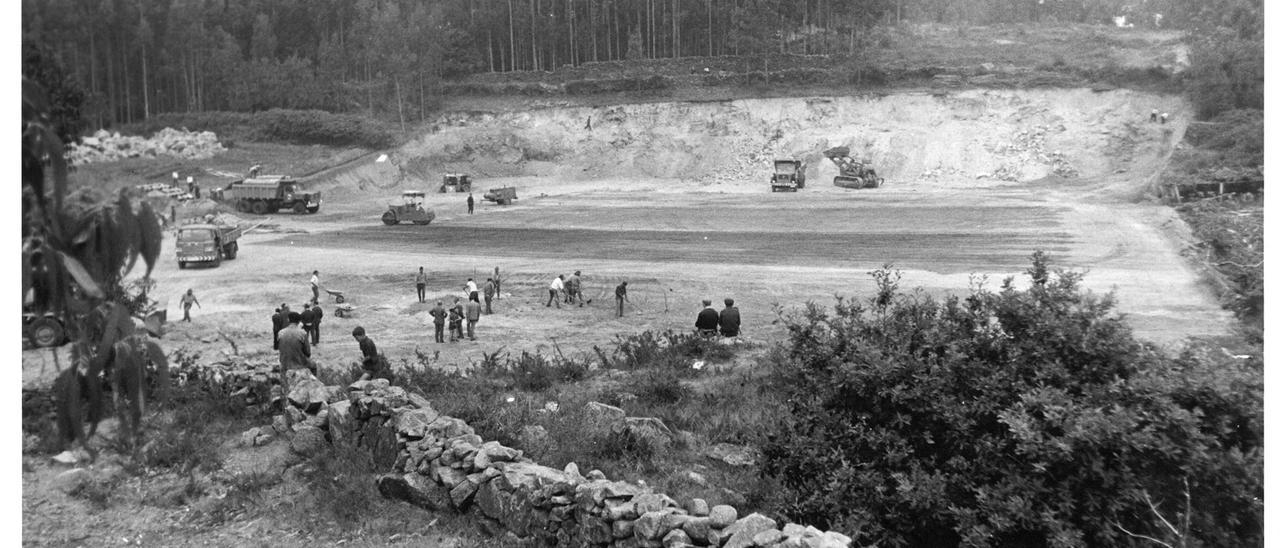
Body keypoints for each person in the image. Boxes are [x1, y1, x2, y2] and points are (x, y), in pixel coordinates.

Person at [278, 311, 315, 376]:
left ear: (288, 320)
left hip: (284, 362)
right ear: (299, 321)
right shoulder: (302, 333)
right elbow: (308, 353)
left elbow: (280, 348)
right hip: (298, 363)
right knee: (314, 365)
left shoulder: (280, 333)